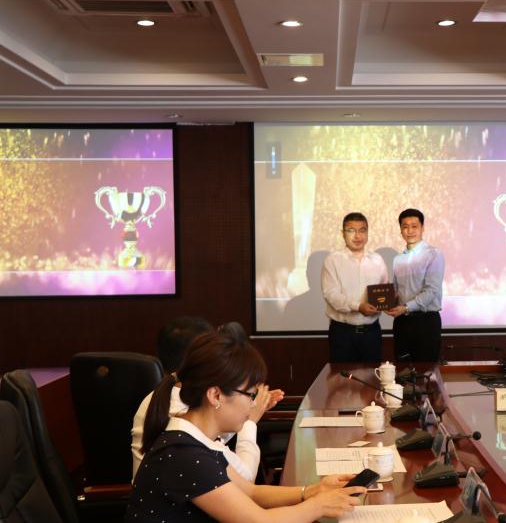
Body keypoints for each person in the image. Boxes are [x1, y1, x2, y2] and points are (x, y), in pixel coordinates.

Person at [126, 331, 363, 522]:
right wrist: (318, 505)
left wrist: (314, 490)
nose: (253, 404)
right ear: (215, 395)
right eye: (250, 395)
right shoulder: (184, 454)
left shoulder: (199, 440)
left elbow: (251, 492)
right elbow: (259, 520)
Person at [131, 317, 283, 481]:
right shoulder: (184, 426)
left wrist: (244, 405)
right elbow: (245, 478)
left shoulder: (167, 398)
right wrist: (249, 421)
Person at [321, 212, 389, 362]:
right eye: (351, 230)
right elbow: (331, 294)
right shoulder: (333, 260)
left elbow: (384, 290)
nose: (357, 236)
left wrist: (389, 303)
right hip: (342, 334)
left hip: (372, 333)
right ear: (343, 233)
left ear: (367, 233)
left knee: (373, 375)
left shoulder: (377, 260)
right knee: (342, 376)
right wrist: (358, 307)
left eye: (362, 230)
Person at [387, 208, 445, 362]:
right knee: (402, 371)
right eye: (405, 226)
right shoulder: (398, 259)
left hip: (426, 322)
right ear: (400, 230)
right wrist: (388, 303)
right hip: (402, 323)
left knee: (426, 371)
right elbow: (397, 291)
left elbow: (432, 290)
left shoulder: (433, 254)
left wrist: (406, 307)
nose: (410, 231)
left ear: (422, 228)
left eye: (414, 226)